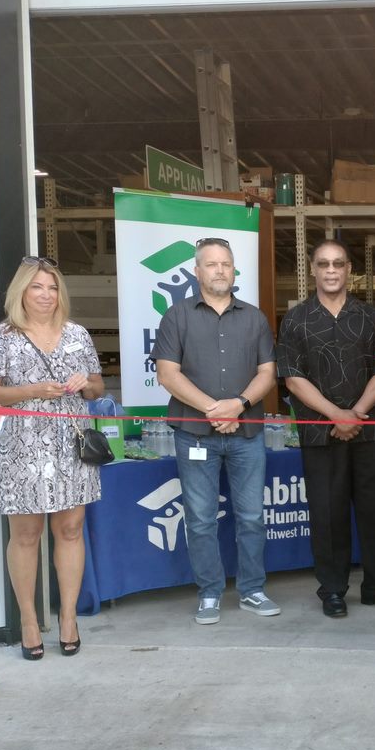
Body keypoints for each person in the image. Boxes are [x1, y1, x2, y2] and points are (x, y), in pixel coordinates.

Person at [0, 258, 104, 659]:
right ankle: (29, 620)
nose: (46, 295)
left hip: (72, 444)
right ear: (21, 293)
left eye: (52, 287)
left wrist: (87, 384)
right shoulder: (3, 337)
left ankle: (68, 617)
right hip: (21, 447)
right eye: (37, 287)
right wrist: (31, 390)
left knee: (70, 529)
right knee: (26, 535)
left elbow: (98, 387)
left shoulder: (77, 335)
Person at [153, 236, 278, 625]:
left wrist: (238, 405)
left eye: (226, 264)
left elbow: (268, 373)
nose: (220, 270)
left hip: (246, 435)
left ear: (234, 270)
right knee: (201, 519)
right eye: (211, 264)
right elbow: (167, 374)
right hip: (195, 434)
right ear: (196, 271)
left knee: (252, 517)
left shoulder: (255, 318)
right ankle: (209, 593)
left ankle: (253, 590)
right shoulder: (177, 316)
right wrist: (212, 409)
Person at [279, 239, 375, 618]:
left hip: (370, 430)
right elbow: (292, 378)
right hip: (320, 432)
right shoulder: (296, 320)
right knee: (327, 513)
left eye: (338, 264)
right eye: (323, 264)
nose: (331, 271)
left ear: (349, 269)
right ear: (313, 270)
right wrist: (336, 415)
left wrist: (357, 413)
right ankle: (332, 589)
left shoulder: (370, 317)